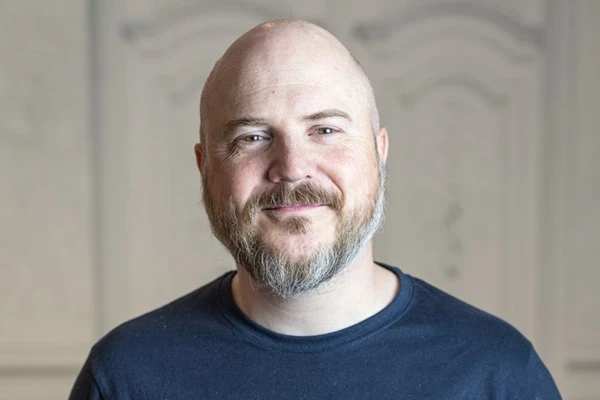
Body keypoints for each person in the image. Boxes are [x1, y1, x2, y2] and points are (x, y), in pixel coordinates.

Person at [69, 18, 561, 399]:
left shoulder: (496, 372)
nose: (292, 168)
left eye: (325, 130)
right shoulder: (127, 376)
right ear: (205, 167)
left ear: (379, 152)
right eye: (252, 137)